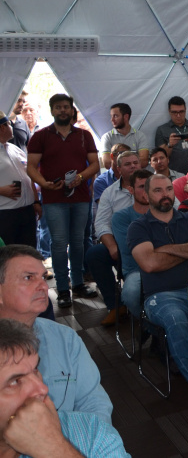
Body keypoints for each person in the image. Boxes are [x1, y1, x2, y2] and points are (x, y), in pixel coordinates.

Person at [128, 174, 188, 410]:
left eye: (169, 189)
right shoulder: (138, 226)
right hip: (161, 296)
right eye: (158, 190)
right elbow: (150, 264)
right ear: (146, 195)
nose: (165, 195)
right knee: (175, 320)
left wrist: (165, 249)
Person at [0, 245, 113, 421]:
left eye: (43, 277)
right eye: (28, 278)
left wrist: (60, 437)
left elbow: (95, 403)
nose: (43, 286)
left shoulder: (65, 338)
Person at [0, 318, 129, 458]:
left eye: (36, 369)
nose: (42, 389)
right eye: (15, 382)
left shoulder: (92, 433)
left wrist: (55, 449)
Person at [26, 93, 101, 308]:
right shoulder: (40, 136)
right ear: (51, 111)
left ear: (71, 110)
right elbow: (31, 167)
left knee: (78, 241)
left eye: (66, 107)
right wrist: (44, 184)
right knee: (59, 243)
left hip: (80, 197)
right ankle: (62, 289)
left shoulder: (84, 136)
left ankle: (77, 283)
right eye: (58, 107)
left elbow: (95, 164)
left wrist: (81, 178)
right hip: (53, 198)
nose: (62, 110)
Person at [88, 151, 141, 324]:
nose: (133, 166)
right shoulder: (109, 193)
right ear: (118, 168)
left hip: (151, 243)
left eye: (135, 162)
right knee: (95, 254)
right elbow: (101, 223)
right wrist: (111, 246)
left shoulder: (155, 185)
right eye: (127, 164)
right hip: (120, 244)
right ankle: (116, 306)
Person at [109, 169, 152, 318]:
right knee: (131, 293)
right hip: (136, 269)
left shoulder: (165, 212)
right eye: (141, 187)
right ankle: (149, 324)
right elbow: (130, 249)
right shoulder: (121, 217)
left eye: (150, 186)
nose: (146, 191)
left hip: (166, 266)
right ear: (131, 190)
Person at [0, 111, 40, 247]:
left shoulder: (15, 149)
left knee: (28, 251)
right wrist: (1, 190)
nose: (12, 126)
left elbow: (29, 176)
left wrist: (36, 201)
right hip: (5, 213)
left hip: (27, 211)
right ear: (2, 127)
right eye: (9, 124)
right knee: (9, 254)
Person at [155, 95, 188, 175]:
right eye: (174, 112)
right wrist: (170, 145)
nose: (178, 115)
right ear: (169, 111)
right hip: (173, 174)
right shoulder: (162, 130)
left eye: (181, 112)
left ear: (185, 110)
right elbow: (160, 158)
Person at [100, 103, 149, 169]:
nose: (112, 119)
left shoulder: (140, 136)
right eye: (111, 116)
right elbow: (107, 163)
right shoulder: (107, 137)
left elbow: (144, 161)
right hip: (115, 175)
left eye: (115, 116)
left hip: (136, 174)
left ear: (126, 117)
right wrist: (132, 163)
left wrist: (121, 163)